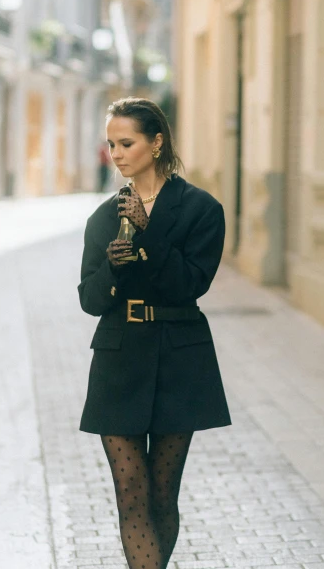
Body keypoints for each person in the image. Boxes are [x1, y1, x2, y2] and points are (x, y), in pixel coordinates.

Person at [78, 96, 232, 569]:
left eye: (127, 143)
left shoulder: (201, 209)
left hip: (178, 355)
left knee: (162, 495)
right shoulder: (104, 216)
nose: (117, 153)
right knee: (130, 490)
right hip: (119, 355)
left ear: (156, 142)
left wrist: (147, 243)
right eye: (111, 144)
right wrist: (113, 268)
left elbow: (190, 284)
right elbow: (89, 299)